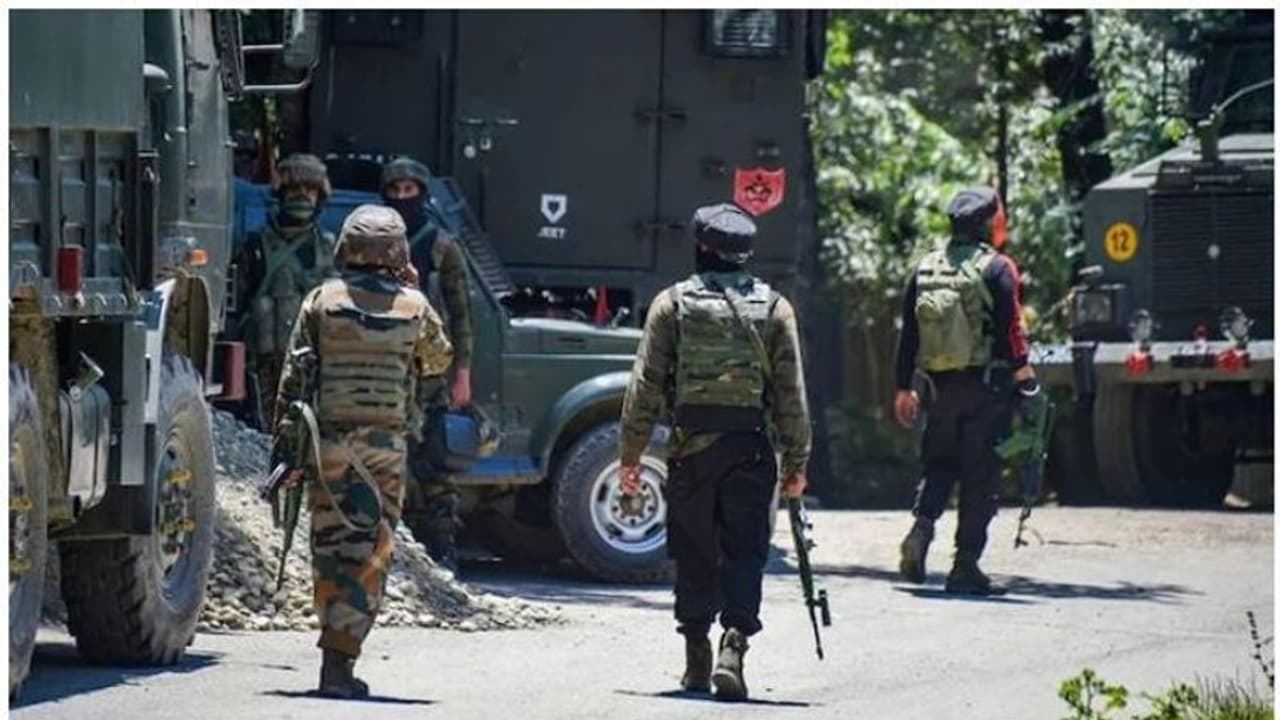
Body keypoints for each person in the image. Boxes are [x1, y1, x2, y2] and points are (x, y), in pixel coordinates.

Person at [618, 203, 811, 702]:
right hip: (751, 450)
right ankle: (734, 644)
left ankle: (696, 655)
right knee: (745, 551)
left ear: (702, 247)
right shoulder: (775, 308)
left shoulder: (671, 305)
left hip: (691, 450)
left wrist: (631, 456)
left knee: (694, 551)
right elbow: (791, 395)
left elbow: (644, 386)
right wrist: (796, 464)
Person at [272, 204, 452, 698]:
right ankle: (340, 662)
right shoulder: (415, 306)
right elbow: (439, 360)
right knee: (372, 549)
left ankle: (334, 660)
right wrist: (413, 288)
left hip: (328, 445)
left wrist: (284, 453)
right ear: (398, 251)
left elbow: (292, 381)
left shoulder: (320, 300)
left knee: (330, 546)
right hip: (384, 450)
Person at [892, 185, 1039, 596]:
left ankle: (921, 530)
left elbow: (908, 336)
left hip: (938, 390)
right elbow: (1011, 331)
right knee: (980, 475)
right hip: (986, 391)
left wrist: (903, 388)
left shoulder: (926, 269)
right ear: (989, 223)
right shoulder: (998, 269)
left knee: (939, 465)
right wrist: (1026, 378)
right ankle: (965, 565)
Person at [381, 157, 473, 571]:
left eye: (410, 191)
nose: (403, 198)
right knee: (387, 456)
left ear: (422, 193)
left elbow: (461, 314)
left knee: (436, 460)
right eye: (395, 191)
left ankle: (442, 549)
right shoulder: (372, 245)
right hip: (385, 367)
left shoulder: (441, 246)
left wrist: (462, 374)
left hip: (431, 368)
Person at [242, 153, 337, 425]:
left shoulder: (329, 247)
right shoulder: (256, 245)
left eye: (310, 190)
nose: (302, 196)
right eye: (294, 189)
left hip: (314, 363)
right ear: (281, 194)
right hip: (265, 366)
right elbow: (238, 306)